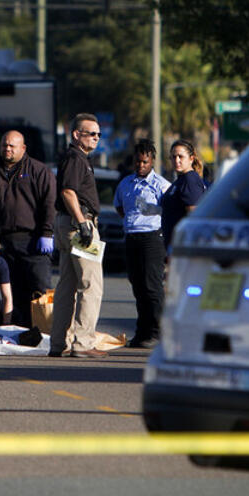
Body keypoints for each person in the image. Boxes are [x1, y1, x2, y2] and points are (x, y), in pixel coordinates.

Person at [0, 130, 57, 328]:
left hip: (33, 242)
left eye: (12, 145)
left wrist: (46, 233)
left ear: (23, 148)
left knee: (40, 291)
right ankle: (19, 332)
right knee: (12, 293)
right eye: (4, 145)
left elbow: (50, 204)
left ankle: (46, 334)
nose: (7, 149)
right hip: (2, 243)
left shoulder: (39, 171)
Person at [49, 114, 107, 358]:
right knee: (91, 284)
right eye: (90, 133)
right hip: (78, 224)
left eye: (98, 134)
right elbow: (68, 192)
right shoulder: (76, 157)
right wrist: (83, 224)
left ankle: (58, 343)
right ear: (76, 135)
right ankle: (83, 343)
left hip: (68, 223)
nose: (95, 138)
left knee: (68, 285)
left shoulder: (77, 158)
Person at [113, 139, 171, 349]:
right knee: (137, 286)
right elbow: (120, 207)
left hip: (152, 238)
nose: (141, 166)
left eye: (145, 162)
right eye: (137, 162)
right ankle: (142, 332)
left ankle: (157, 332)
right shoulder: (125, 183)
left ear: (152, 161)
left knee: (152, 287)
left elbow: (169, 212)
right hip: (132, 237)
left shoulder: (161, 185)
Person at [161, 138, 209, 248]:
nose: (176, 160)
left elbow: (194, 216)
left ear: (191, 158)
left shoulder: (189, 180)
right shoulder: (181, 180)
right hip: (173, 244)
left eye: (180, 156)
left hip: (183, 245)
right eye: (173, 157)